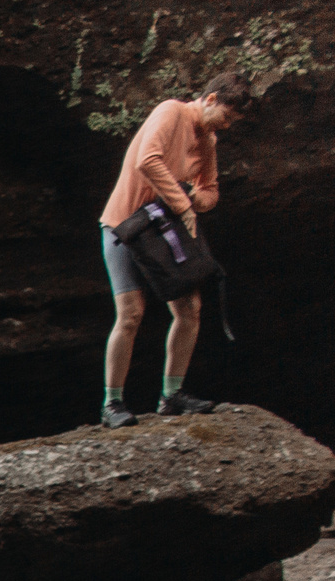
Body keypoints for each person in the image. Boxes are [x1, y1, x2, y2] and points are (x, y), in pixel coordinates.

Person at [98, 70, 253, 428]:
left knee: (189, 307)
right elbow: (148, 160)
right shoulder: (171, 111)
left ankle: (171, 396)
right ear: (210, 99)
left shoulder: (208, 140)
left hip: (161, 231)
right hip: (124, 225)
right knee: (131, 313)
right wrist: (183, 205)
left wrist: (194, 198)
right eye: (226, 116)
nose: (226, 125)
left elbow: (211, 192)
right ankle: (112, 403)